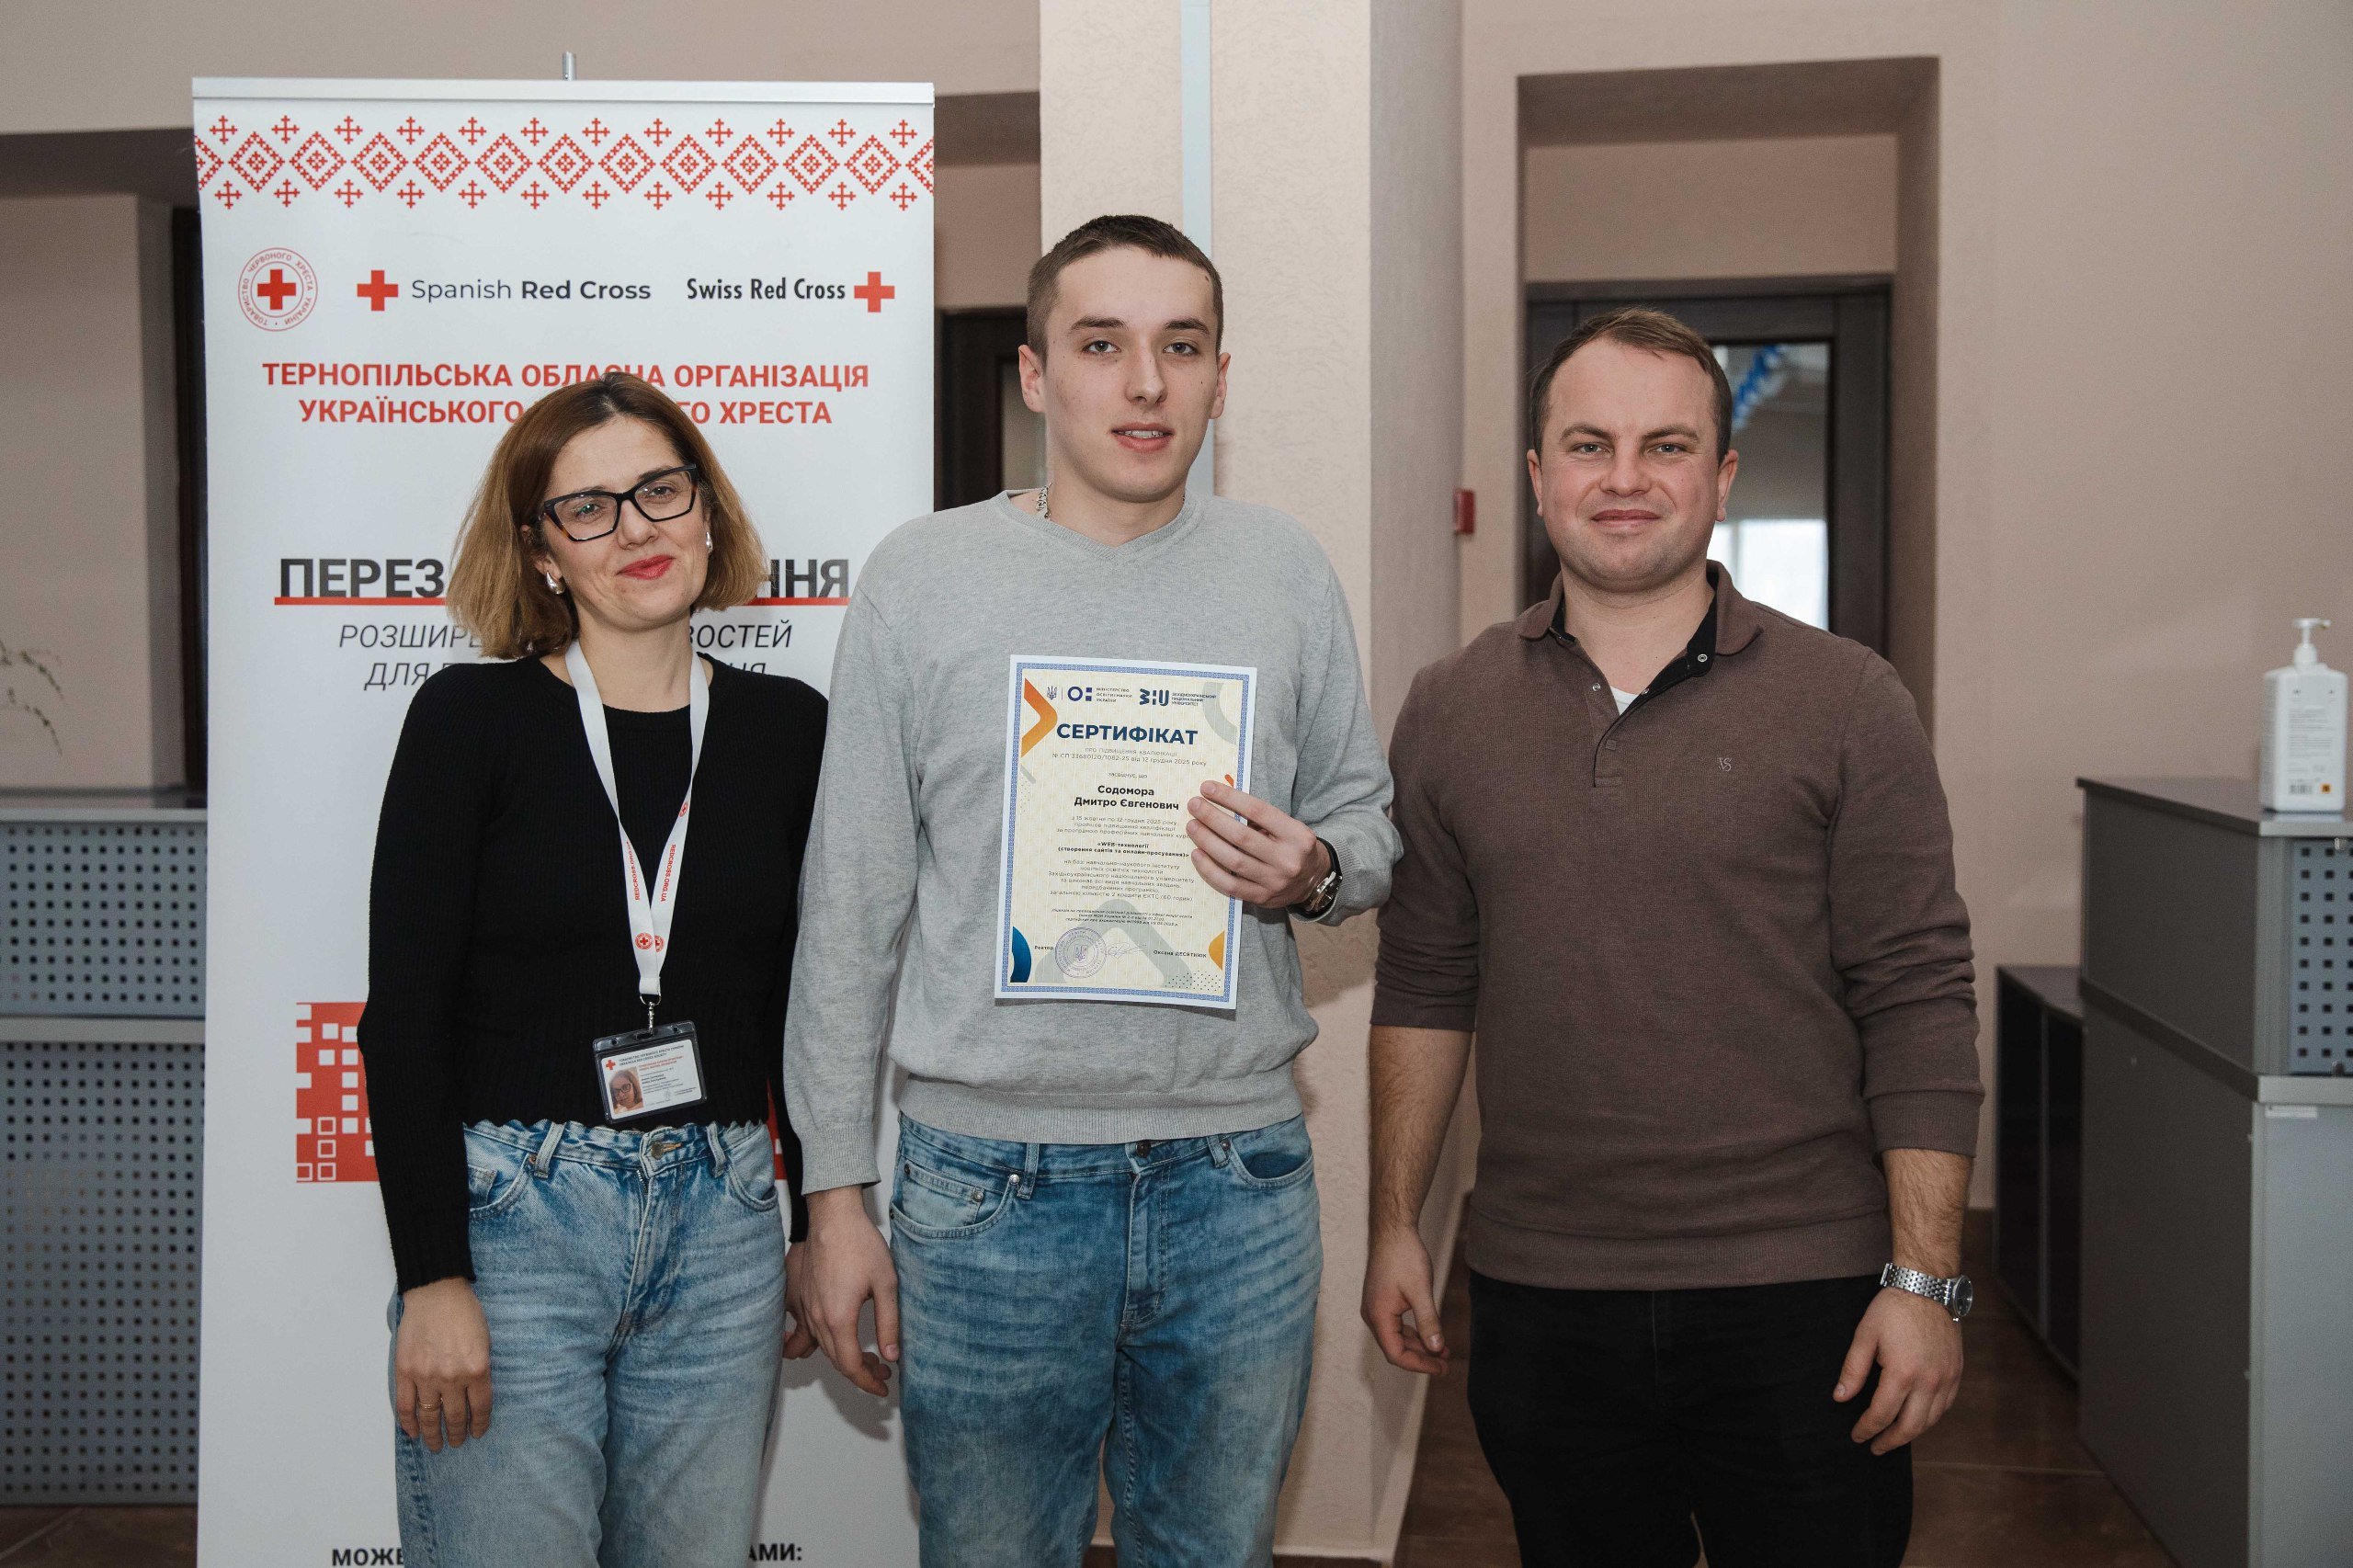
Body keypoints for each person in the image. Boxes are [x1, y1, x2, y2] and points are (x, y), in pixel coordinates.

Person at [784, 214, 1400, 1567]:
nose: (1145, 384)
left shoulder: (1283, 570)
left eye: (1181, 347)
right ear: (1034, 374)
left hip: (1236, 1179)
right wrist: (833, 1197)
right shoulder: (920, 579)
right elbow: (848, 914)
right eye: (1102, 344)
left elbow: (1370, 824)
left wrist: (1315, 868)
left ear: (1220, 378)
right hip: (984, 1186)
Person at [1362, 307, 1984, 1568]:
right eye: (1589, 444)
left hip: (1804, 1296)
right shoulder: (1449, 707)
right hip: (1543, 1293)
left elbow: (1918, 996)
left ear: (1723, 474)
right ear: (1538, 473)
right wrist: (1394, 1223)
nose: (1626, 477)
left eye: (1667, 445)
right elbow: (1425, 984)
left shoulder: (1849, 700)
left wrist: (1924, 1281)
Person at [359, 371, 825, 1568]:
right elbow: (403, 1018)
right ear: (543, 553)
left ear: (707, 509)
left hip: (724, 1217)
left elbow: (807, 1009)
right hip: (516, 1224)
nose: (636, 529)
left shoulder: (790, 730)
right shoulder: (471, 720)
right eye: (589, 508)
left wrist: (817, 1217)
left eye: (660, 490)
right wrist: (433, 1276)